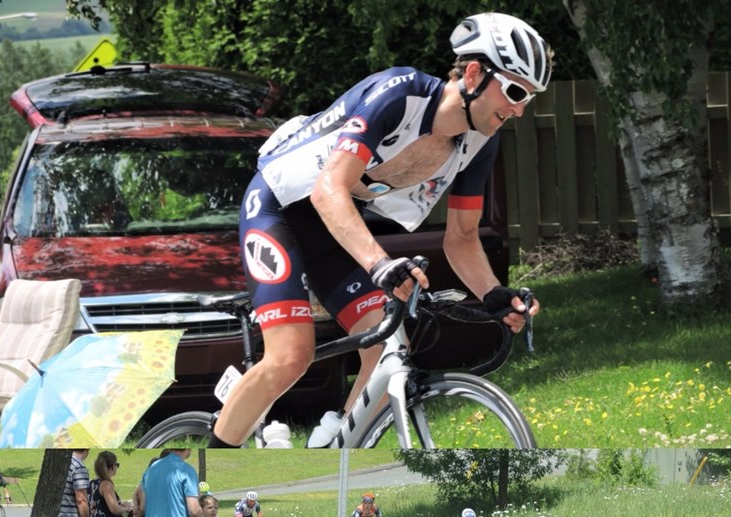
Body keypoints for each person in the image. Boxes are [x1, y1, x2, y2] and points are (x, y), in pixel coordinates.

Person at [202, 12, 545, 447]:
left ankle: (332, 450)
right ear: (474, 73)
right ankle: (212, 470)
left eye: (528, 99)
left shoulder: (481, 142)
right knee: (291, 357)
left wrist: (494, 293)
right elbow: (329, 189)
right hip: (279, 208)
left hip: (333, 228)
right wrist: (380, 264)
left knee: (388, 350)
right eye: (514, 91)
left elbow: (461, 238)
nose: (518, 109)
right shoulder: (400, 93)